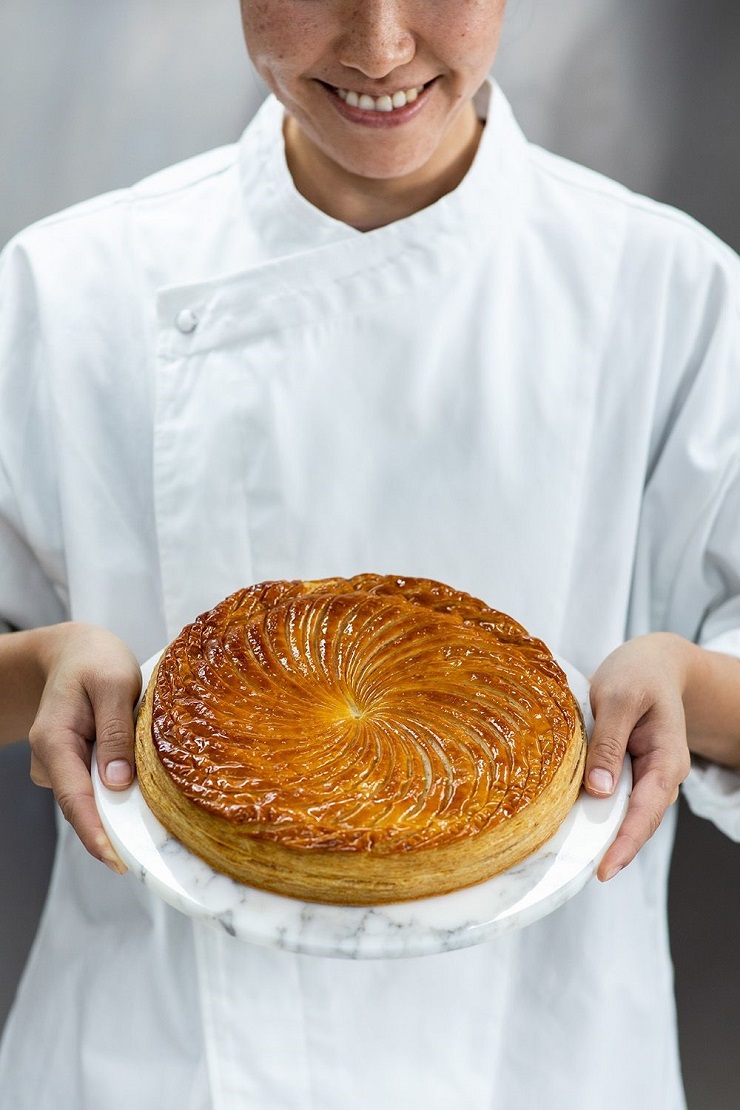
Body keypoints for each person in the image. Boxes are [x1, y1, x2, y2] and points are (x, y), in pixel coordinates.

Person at [1, 1, 740, 1106]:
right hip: (152, 1057)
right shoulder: (68, 285)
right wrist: (42, 668)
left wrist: (686, 685)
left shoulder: (665, 289)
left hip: (537, 1061)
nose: (380, 45)